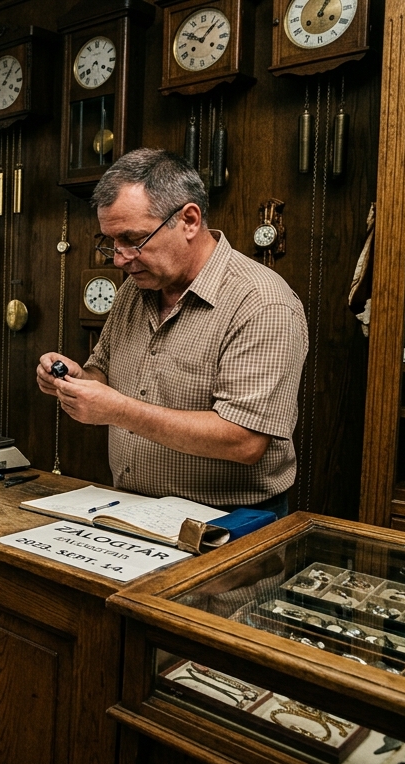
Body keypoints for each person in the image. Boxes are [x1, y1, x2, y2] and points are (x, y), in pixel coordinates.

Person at [36, 149, 308, 517]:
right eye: (111, 242)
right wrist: (76, 380)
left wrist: (118, 411)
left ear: (189, 220)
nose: (119, 258)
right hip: (132, 509)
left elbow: (244, 441)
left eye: (133, 239)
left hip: (229, 521)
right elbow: (104, 372)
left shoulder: (263, 302)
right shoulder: (136, 288)